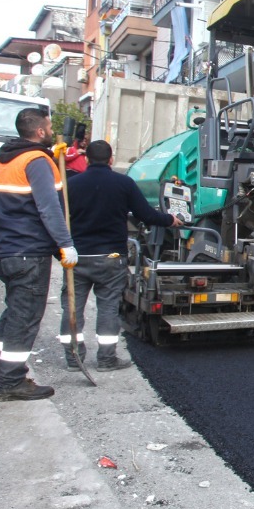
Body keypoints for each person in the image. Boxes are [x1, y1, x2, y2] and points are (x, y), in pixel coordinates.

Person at [0, 107, 77, 401]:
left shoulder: (3, 159)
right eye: (48, 127)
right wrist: (65, 243)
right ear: (39, 132)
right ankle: (11, 382)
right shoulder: (36, 161)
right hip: (29, 253)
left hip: (8, 249)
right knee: (24, 320)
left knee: (12, 316)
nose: (50, 131)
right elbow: (49, 208)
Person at [61, 140, 183, 370]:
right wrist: (170, 220)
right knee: (107, 308)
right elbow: (146, 214)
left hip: (77, 258)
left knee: (72, 308)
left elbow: (58, 219)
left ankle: (73, 358)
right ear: (110, 159)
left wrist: (59, 251)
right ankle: (106, 359)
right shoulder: (123, 183)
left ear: (86, 159)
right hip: (111, 258)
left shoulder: (71, 185)